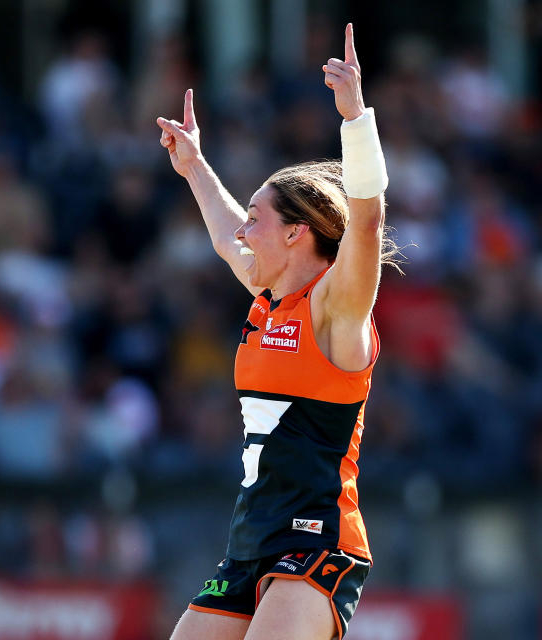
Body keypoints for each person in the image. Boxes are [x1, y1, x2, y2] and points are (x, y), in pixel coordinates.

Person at [156, 23, 394, 640]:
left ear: (296, 234)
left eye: (257, 219)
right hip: (252, 540)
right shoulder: (269, 300)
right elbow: (222, 230)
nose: (243, 233)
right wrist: (194, 166)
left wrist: (355, 119)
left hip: (317, 544)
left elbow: (365, 225)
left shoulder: (332, 308)